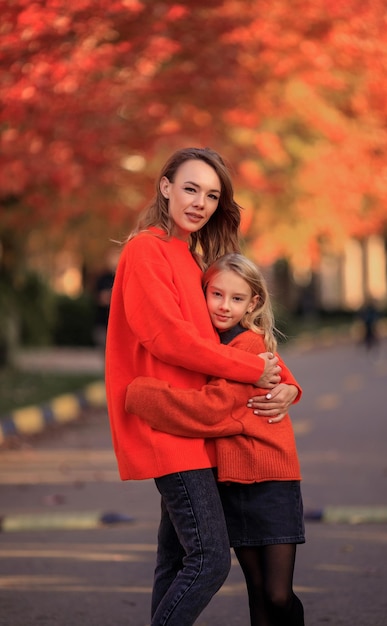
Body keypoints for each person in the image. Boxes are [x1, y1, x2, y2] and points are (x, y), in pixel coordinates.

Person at [105, 147, 291, 626]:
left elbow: (229, 338)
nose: (200, 203)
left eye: (211, 195)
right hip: (171, 426)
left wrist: (288, 383)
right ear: (165, 186)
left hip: (195, 428)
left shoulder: (190, 259)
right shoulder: (146, 249)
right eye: (190, 188)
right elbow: (168, 339)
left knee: (176, 562)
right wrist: (252, 372)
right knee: (210, 562)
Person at [126, 253, 305, 626]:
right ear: (202, 294)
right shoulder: (210, 345)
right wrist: (291, 385)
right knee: (257, 589)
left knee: (277, 593)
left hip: (271, 480)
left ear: (253, 303)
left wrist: (140, 394)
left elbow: (212, 411)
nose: (224, 306)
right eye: (216, 295)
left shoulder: (247, 346)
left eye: (237, 299)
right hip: (232, 482)